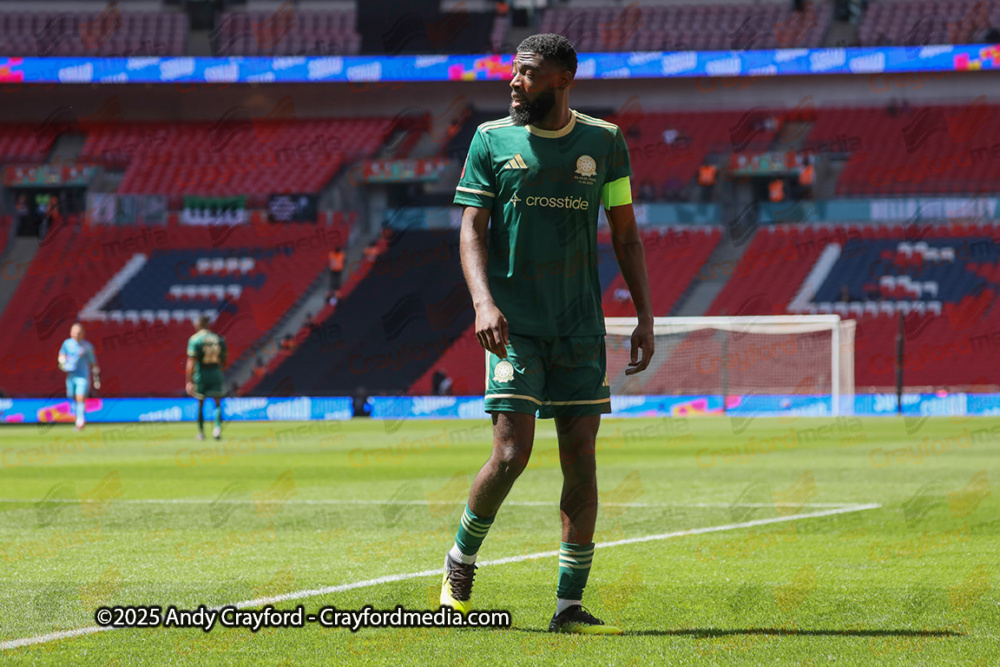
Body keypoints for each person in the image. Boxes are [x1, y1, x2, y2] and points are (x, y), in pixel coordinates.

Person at [444, 33, 654, 635]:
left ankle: (568, 606)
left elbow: (626, 233)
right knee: (511, 454)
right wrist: (483, 302)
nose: (515, 81)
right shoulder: (491, 140)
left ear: (563, 79)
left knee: (581, 458)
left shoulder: (605, 143)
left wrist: (644, 316)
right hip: (514, 328)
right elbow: (471, 229)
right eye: (514, 71)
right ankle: (460, 563)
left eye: (529, 73)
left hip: (580, 329)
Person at [185, 315, 228, 440]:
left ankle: (201, 433)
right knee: (218, 403)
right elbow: (225, 358)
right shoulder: (218, 339)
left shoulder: (195, 340)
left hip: (201, 374)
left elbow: (191, 362)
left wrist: (188, 381)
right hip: (216, 372)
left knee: (200, 403)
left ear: (198, 325)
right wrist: (220, 367)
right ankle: (217, 429)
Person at [58, 323, 100, 430]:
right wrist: (62, 362)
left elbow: (93, 363)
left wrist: (96, 377)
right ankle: (78, 416)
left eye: (78, 333)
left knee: (80, 397)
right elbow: (62, 354)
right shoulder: (67, 344)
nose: (76, 335)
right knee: (73, 396)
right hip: (71, 376)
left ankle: (80, 421)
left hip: (82, 376)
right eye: (74, 333)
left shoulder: (87, 346)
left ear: (82, 334)